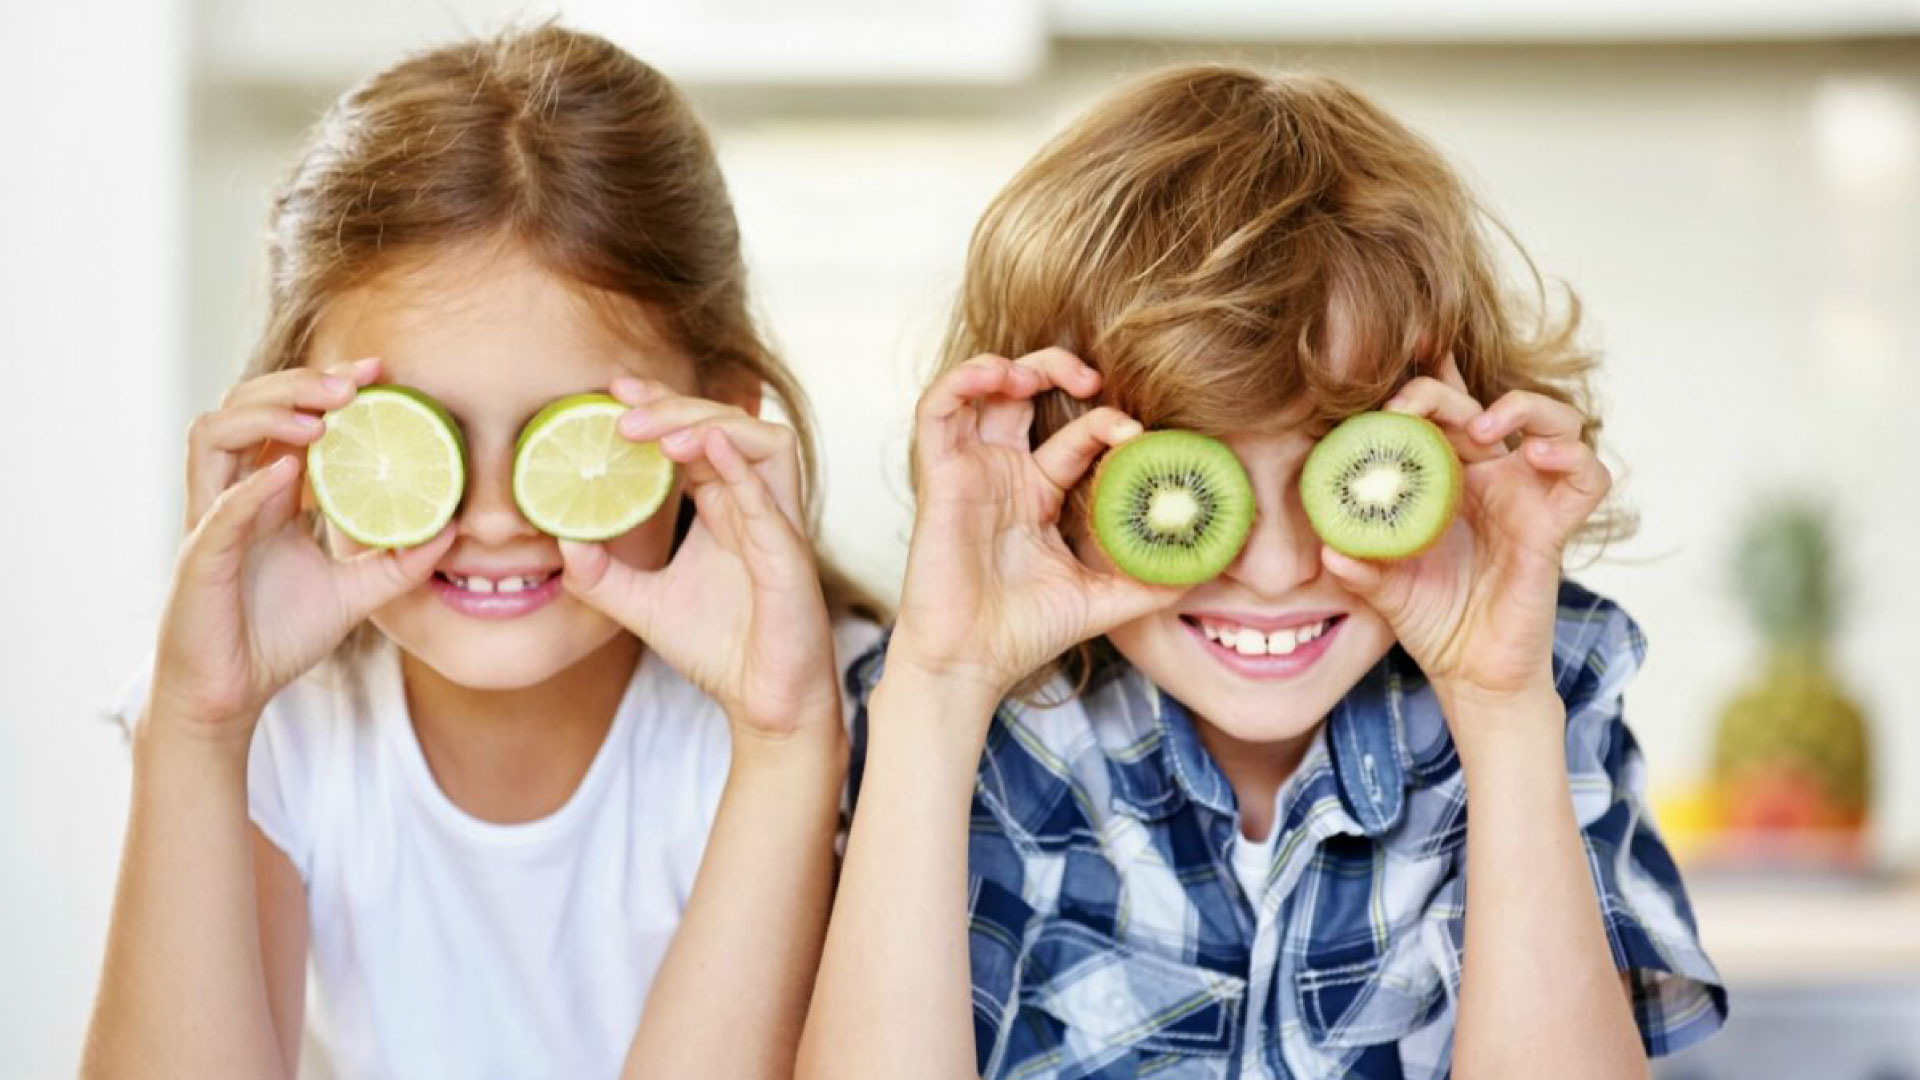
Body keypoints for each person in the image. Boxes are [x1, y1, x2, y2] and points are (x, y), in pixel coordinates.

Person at [802, 65, 1726, 1080]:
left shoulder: (1546, 676)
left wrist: (1502, 708)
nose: (1281, 568)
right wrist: (939, 687)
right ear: (1057, 470)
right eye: (1197, 479)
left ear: (1446, 459)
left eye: (1343, 465)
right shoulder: (992, 724)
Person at [82, 25, 875, 1080]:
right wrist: (196, 727)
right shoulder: (275, 728)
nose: (495, 514)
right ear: (302, 438)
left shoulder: (846, 721)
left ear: (716, 424)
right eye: (423, 434)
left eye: (571, 435)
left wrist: (785, 744)